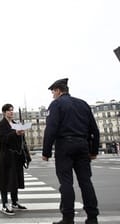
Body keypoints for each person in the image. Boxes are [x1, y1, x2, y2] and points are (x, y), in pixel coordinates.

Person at [42, 78, 100, 224]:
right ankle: (92, 217)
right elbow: (94, 129)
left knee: (66, 183)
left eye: (53, 92)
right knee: (86, 182)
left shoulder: (56, 105)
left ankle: (68, 218)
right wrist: (93, 151)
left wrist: (46, 152)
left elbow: (51, 129)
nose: (52, 95)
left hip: (64, 146)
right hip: (82, 145)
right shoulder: (83, 104)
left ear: (58, 91)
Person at [0, 103, 31, 216]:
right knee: (5, 180)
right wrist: (15, 133)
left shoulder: (15, 124)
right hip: (6, 156)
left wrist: (21, 133)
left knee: (14, 180)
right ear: (4, 112)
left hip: (16, 156)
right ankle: (5, 204)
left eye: (12, 110)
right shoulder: (2, 125)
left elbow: (20, 140)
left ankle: (15, 202)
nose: (11, 112)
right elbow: (3, 139)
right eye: (8, 110)